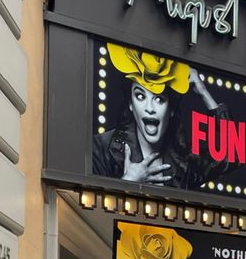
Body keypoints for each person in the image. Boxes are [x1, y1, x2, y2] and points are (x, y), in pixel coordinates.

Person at [92, 42, 228, 189]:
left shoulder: (184, 161)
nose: (150, 108)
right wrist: (129, 182)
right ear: (131, 104)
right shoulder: (101, 148)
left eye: (159, 99)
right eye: (140, 96)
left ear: (171, 110)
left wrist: (203, 92)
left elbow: (232, 154)